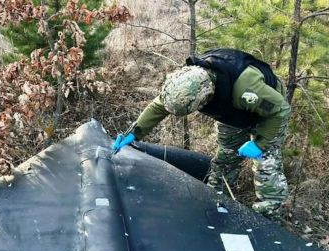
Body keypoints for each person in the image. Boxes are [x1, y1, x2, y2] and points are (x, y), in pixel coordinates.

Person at [113, 48, 290, 217]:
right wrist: (135, 132)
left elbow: (280, 110)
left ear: (205, 97)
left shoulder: (246, 89)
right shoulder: (186, 83)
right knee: (225, 158)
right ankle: (216, 201)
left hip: (269, 115)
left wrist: (260, 144)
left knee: (266, 165)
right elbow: (159, 106)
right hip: (233, 114)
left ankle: (269, 215)